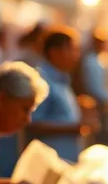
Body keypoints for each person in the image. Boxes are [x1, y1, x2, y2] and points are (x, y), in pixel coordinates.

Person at [27, 28, 85, 163]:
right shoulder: (41, 81)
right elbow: (32, 123)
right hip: (50, 163)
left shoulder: (62, 79)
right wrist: (74, 128)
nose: (77, 56)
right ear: (55, 52)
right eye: (72, 50)